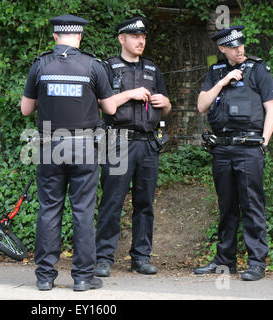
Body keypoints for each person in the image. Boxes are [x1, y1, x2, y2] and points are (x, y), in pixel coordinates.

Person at [21, 14, 148, 291]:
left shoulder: (40, 65)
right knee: (82, 212)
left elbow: (26, 109)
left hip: (48, 146)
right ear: (79, 37)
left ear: (55, 37)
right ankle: (81, 277)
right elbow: (110, 109)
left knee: (49, 210)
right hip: (84, 148)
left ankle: (44, 277)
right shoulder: (92, 66)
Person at [194, 26, 273, 281]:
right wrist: (222, 81)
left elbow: (271, 110)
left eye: (241, 44)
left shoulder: (259, 70)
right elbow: (201, 106)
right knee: (227, 205)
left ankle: (256, 262)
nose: (239, 49)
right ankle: (225, 260)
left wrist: (264, 143)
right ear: (222, 49)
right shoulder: (215, 72)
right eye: (233, 46)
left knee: (252, 204)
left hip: (250, 148)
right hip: (222, 149)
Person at [94, 16, 171, 278]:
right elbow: (101, 105)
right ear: (122, 39)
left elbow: (167, 108)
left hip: (148, 144)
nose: (141, 41)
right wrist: (130, 93)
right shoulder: (107, 68)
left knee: (145, 204)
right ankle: (103, 258)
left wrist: (165, 102)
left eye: (144, 37)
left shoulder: (153, 69)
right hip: (117, 142)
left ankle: (141, 257)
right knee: (111, 202)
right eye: (135, 37)